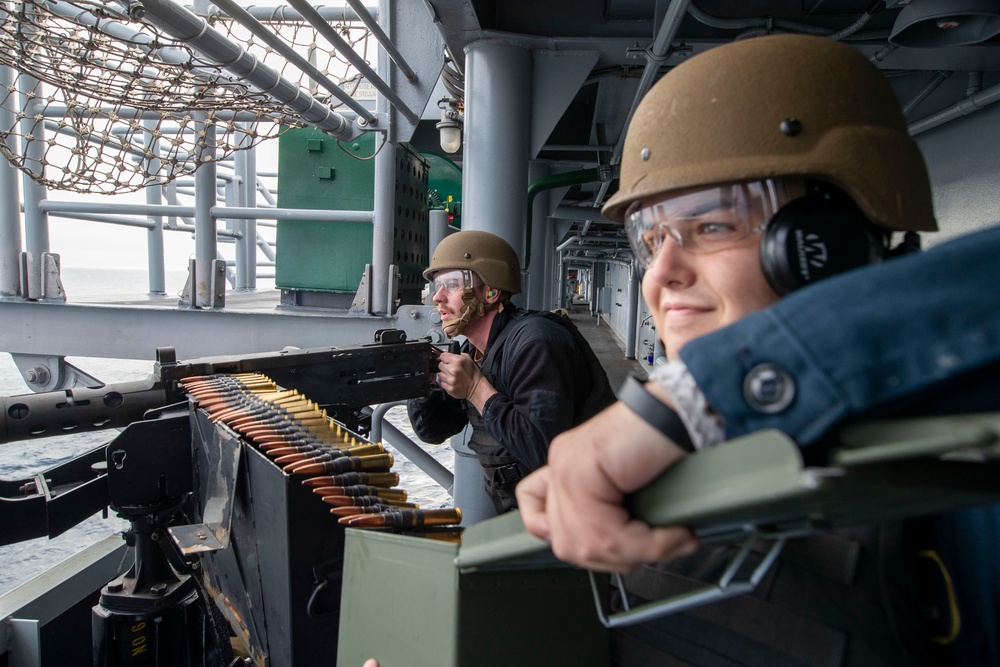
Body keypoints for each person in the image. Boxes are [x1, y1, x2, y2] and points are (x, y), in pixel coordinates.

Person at [518, 34, 1000, 666]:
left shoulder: (965, 472)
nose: (659, 274)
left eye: (711, 225)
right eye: (650, 237)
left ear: (828, 243)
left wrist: (705, 395)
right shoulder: (650, 467)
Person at [407, 229, 615, 513]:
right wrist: (425, 382)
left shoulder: (537, 342)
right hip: (536, 511)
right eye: (436, 286)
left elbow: (546, 452)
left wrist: (476, 390)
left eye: (451, 284)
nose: (437, 298)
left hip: (583, 512)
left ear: (490, 292)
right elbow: (433, 430)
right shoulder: (475, 352)